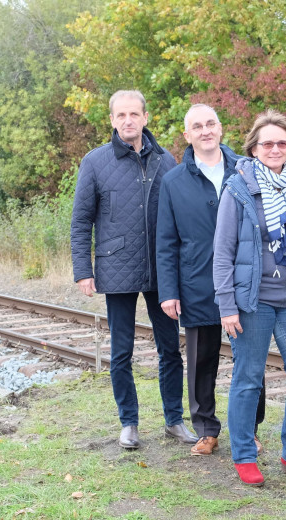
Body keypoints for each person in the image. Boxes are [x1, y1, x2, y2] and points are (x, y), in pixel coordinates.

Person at [71, 90, 196, 450]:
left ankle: (174, 420)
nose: (128, 120)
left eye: (134, 114)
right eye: (120, 115)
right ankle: (129, 423)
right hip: (117, 267)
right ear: (112, 120)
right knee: (121, 351)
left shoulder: (166, 161)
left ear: (145, 118)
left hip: (162, 270)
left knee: (170, 348)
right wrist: (84, 269)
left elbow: (180, 217)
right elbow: (81, 221)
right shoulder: (95, 162)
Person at [214, 109, 286, 486]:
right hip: (253, 300)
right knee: (248, 378)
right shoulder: (238, 188)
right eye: (267, 143)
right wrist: (227, 306)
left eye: (281, 142)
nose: (275, 148)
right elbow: (223, 251)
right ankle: (244, 455)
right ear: (254, 148)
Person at [156, 104, 266, 456]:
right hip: (196, 283)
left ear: (221, 129)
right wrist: (169, 291)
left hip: (245, 281)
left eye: (211, 124)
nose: (205, 131)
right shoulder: (173, 181)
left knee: (249, 360)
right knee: (202, 360)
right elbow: (166, 241)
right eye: (197, 126)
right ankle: (206, 429)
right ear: (187, 136)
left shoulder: (248, 170)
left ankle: (249, 429)